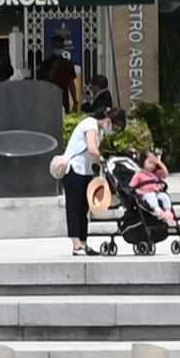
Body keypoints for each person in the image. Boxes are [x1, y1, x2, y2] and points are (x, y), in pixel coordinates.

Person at [55, 92, 108, 256]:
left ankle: (84, 243)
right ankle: (76, 244)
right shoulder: (90, 123)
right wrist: (103, 160)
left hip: (85, 172)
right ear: (105, 118)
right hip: (73, 170)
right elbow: (92, 149)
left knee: (84, 208)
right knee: (74, 207)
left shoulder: (99, 130)